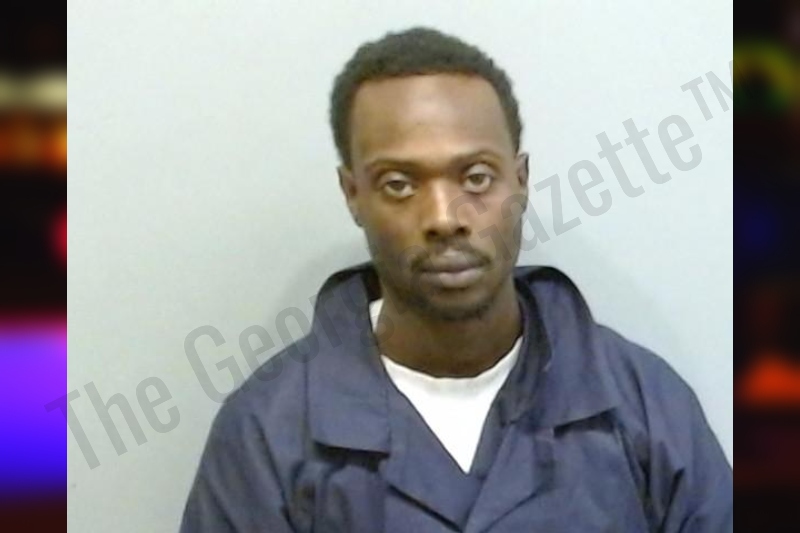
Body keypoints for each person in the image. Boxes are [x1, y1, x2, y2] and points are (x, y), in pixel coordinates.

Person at [180, 27, 732, 532]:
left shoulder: (643, 406)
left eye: (477, 177)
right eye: (399, 184)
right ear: (353, 195)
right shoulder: (268, 433)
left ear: (521, 181)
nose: (445, 218)